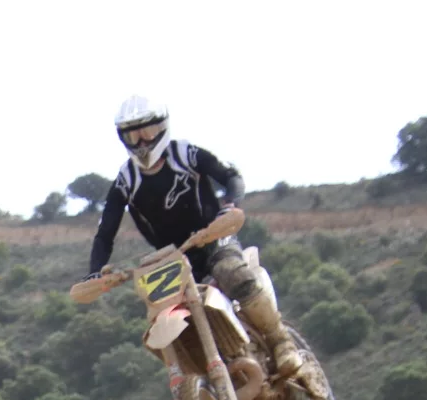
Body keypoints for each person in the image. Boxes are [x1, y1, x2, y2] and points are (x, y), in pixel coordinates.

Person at [86, 96, 301, 380]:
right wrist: (94, 273)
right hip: (174, 259)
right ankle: (206, 379)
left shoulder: (185, 155)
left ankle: (280, 340)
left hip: (213, 237)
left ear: (162, 128)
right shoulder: (126, 181)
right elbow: (105, 233)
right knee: (159, 314)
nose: (141, 143)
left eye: (147, 132)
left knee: (230, 272)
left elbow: (230, 176)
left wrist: (230, 205)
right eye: (132, 135)